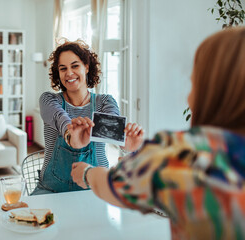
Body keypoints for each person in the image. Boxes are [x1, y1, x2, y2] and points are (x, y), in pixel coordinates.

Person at [71, 27, 245, 239]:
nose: (189, 98)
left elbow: (113, 186)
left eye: (193, 84)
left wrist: (87, 173)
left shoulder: (179, 154)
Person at [32, 39, 144, 195]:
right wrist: (71, 135)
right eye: (63, 68)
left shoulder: (105, 102)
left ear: (86, 66)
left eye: (75, 65)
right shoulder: (49, 100)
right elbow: (60, 118)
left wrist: (126, 145)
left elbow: (112, 130)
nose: (69, 73)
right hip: (51, 190)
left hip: (95, 189)